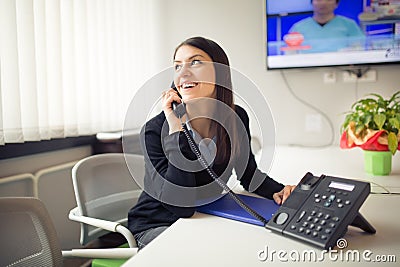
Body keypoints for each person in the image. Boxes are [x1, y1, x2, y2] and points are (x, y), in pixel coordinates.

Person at [128, 36, 296, 250]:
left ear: (220, 73)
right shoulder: (155, 131)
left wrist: (281, 191)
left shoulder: (236, 118)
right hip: (159, 224)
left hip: (208, 216)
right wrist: (176, 131)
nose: (183, 72)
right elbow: (181, 207)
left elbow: (248, 174)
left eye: (195, 62)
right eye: (177, 66)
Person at [288, 0, 365, 53]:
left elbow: (360, 48)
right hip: (305, 70)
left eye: (328, 0)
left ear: (336, 4)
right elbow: (290, 53)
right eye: (319, 0)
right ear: (312, 3)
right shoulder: (298, 27)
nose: (323, 3)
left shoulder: (349, 25)